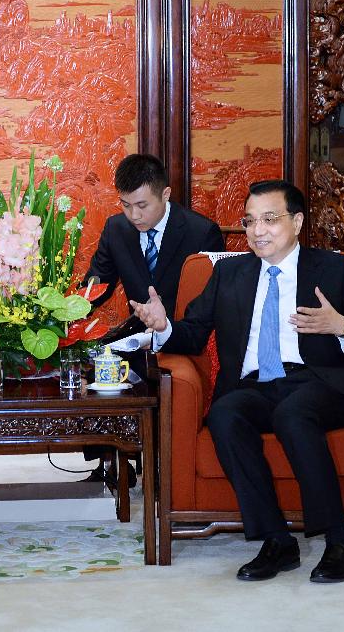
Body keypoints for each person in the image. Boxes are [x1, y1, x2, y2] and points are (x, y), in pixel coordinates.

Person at [130, 179, 344, 583]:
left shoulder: (334, 268)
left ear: (298, 221)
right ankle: (277, 541)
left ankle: (341, 544)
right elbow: (194, 333)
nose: (257, 231)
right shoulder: (229, 271)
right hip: (254, 386)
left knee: (293, 412)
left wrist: (340, 326)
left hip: (319, 385)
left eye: (270, 219)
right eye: (250, 221)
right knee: (225, 414)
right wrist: (163, 327)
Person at [82, 153, 225, 487]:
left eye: (142, 205)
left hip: (182, 333)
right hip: (137, 331)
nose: (134, 215)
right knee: (91, 360)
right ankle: (112, 459)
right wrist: (67, 312)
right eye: (126, 205)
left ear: (165, 194)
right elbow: (97, 284)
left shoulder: (201, 232)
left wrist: (167, 325)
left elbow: (208, 305)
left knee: (160, 376)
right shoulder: (117, 228)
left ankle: (161, 463)